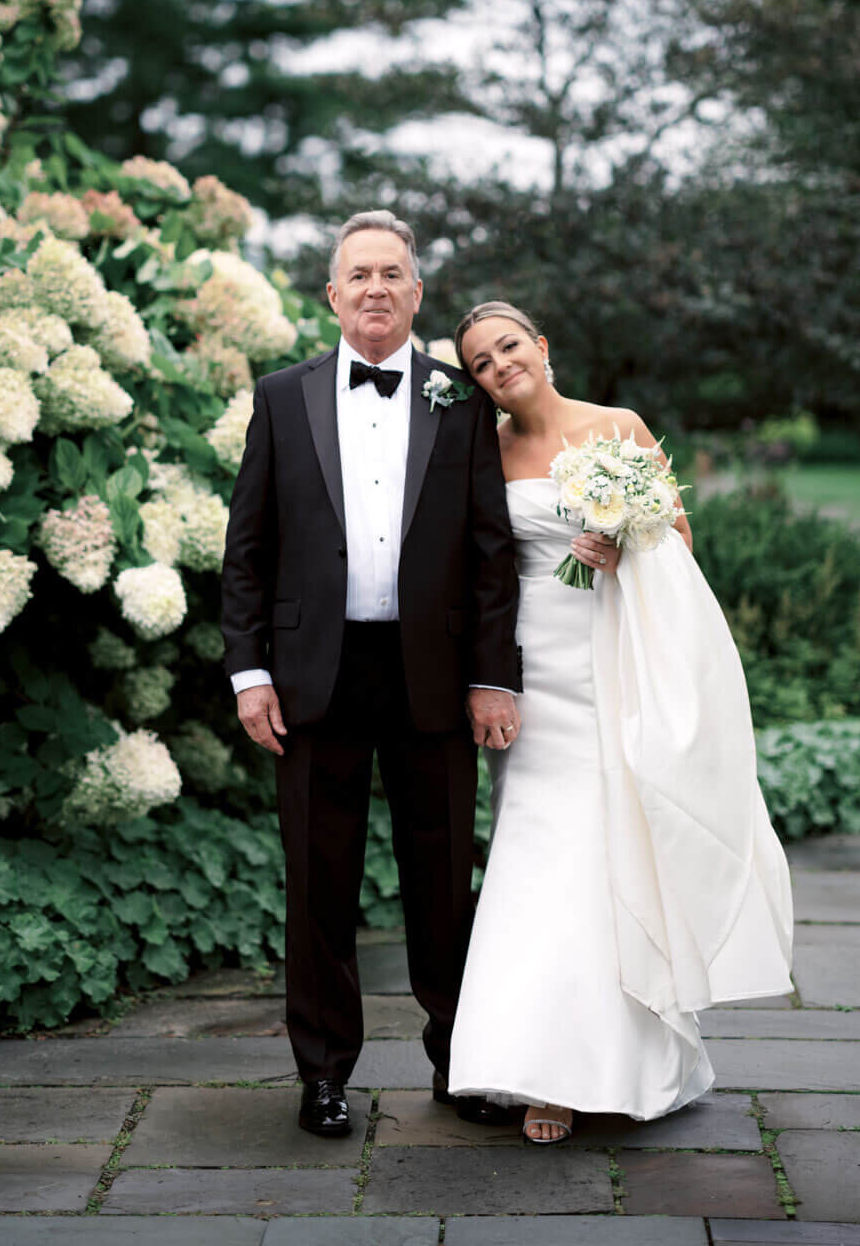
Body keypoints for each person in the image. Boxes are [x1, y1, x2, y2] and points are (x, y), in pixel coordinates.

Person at [221, 218, 610, 1138]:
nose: (375, 290)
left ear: (416, 294)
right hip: (314, 676)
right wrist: (249, 672)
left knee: (441, 879)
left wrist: (493, 678)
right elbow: (249, 549)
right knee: (319, 884)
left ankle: (461, 1062)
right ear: (332, 295)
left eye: (393, 274)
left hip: (433, 675)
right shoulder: (281, 397)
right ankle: (323, 1075)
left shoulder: (457, 399)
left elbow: (487, 554)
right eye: (358, 275)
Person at [447, 301, 794, 1145]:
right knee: (535, 850)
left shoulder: (617, 425)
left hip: (616, 655)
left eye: (508, 347)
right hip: (532, 667)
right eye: (482, 364)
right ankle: (537, 1067)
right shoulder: (481, 452)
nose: (500, 367)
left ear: (542, 345)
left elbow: (677, 537)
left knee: (612, 848)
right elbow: (473, 564)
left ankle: (620, 1060)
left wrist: (621, 537)